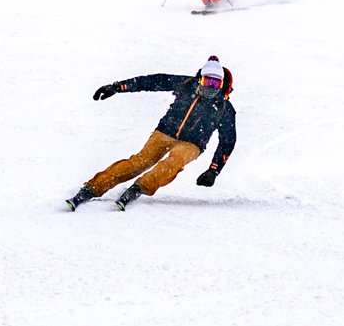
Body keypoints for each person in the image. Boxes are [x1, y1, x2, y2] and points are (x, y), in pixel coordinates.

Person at [66, 56, 237, 211]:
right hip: (165, 132)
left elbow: (228, 140)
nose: (211, 88)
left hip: (192, 144)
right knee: (139, 163)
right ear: (200, 78)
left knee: (175, 160)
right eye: (208, 82)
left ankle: (139, 187)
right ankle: (92, 188)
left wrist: (214, 170)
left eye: (216, 84)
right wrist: (118, 87)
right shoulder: (186, 85)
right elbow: (153, 81)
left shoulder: (224, 108)